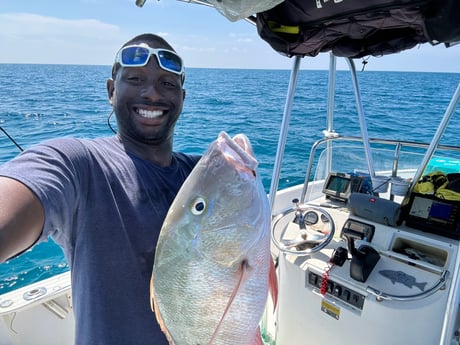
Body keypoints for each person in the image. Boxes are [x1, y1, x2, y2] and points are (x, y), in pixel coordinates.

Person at [0, 33, 200, 345]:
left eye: (167, 83)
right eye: (135, 78)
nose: (152, 93)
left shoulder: (201, 177)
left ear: (182, 99)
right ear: (111, 90)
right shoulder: (76, 163)